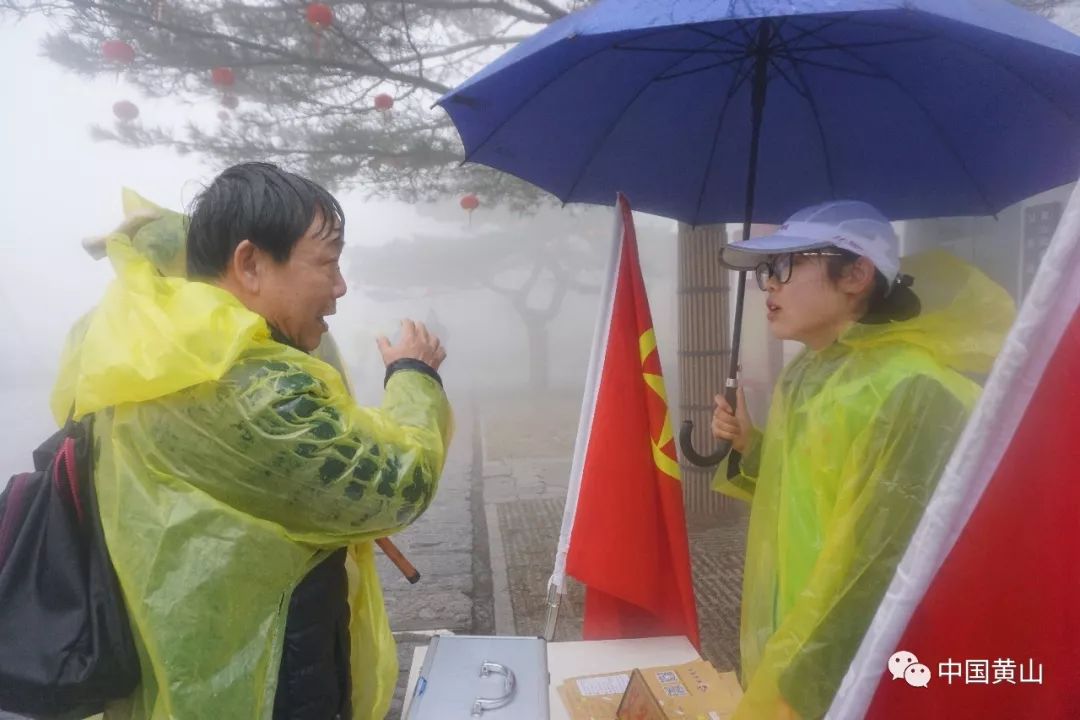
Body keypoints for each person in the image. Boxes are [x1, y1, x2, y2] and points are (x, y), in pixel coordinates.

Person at [51, 164, 452, 720]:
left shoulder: (159, 352)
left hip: (188, 664)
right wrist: (414, 376)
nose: (340, 287)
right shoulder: (247, 388)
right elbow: (396, 485)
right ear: (250, 263)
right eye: (328, 263)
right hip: (260, 688)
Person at [710, 200, 1015, 719]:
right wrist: (751, 445)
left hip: (851, 667)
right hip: (797, 625)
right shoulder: (809, 375)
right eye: (766, 270)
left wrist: (806, 684)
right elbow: (807, 495)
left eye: (784, 266)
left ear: (856, 273)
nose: (769, 285)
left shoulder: (917, 391)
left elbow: (884, 567)